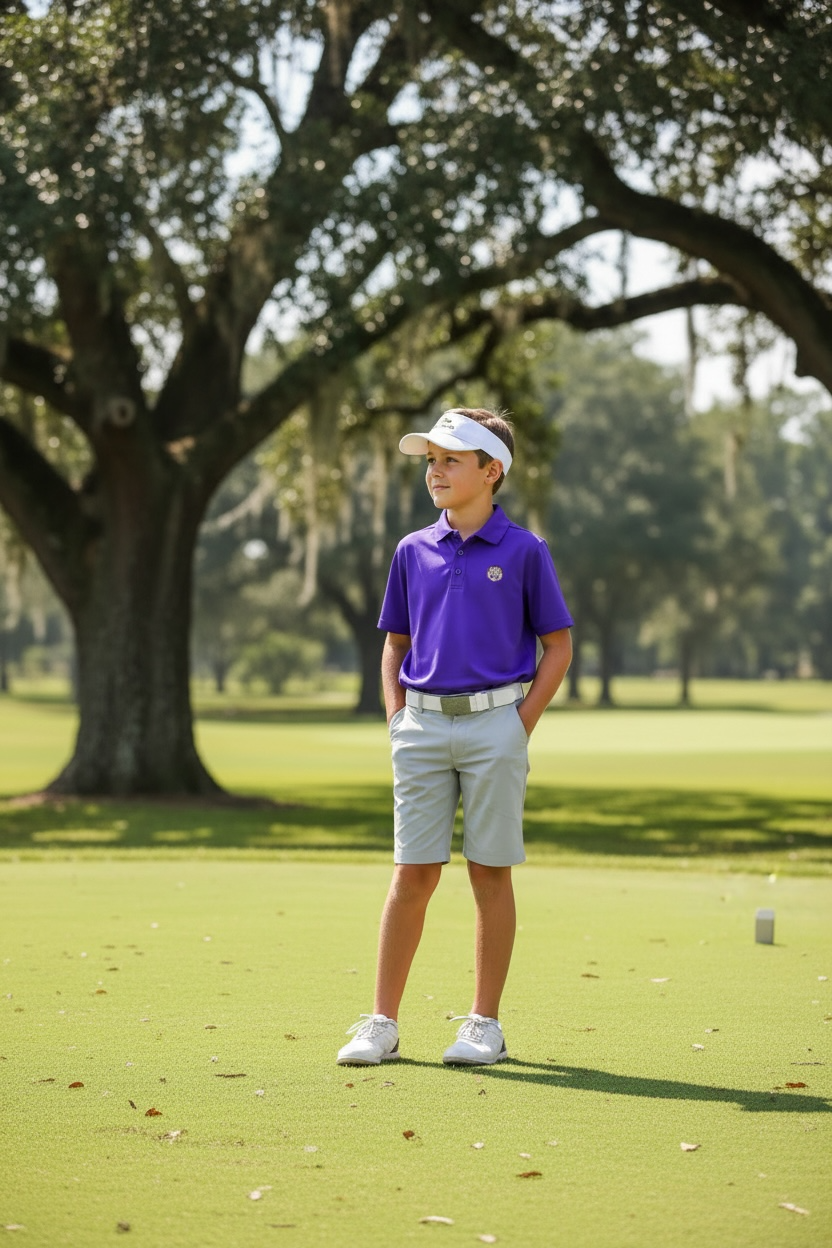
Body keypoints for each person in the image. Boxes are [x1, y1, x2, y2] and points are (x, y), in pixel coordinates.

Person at [336, 407, 573, 1067]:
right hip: (420, 725)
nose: (435, 471)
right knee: (411, 874)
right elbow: (395, 644)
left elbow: (558, 646)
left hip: (496, 724)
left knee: (490, 874)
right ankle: (381, 1022)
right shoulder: (412, 550)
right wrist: (395, 718)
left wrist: (517, 726)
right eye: (430, 461)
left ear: (491, 470)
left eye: (451, 459)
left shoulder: (525, 551)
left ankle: (483, 1026)